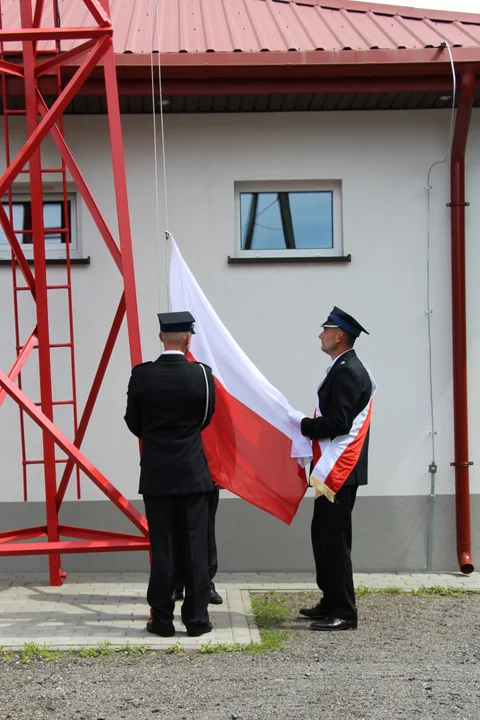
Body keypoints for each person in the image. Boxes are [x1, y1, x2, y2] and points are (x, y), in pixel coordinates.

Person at [124, 311, 216, 638]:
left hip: (157, 474)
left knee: (162, 547)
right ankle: (197, 620)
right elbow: (206, 418)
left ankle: (161, 619)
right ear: (189, 338)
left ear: (160, 336)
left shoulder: (142, 376)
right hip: (192, 472)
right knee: (195, 548)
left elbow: (133, 422)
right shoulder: (202, 376)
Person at [287, 306, 373, 631]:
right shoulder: (341, 367)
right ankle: (329, 600)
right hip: (332, 474)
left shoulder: (348, 371)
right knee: (321, 536)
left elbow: (338, 423)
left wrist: (303, 425)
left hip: (341, 472)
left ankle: (345, 611)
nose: (320, 335)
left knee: (335, 541)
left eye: (325, 329)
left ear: (338, 335)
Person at [172, 485, 223, 605]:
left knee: (205, 529)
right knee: (174, 528)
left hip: (206, 477)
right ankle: (175, 584)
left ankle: (206, 584)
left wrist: (223, 475)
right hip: (172, 477)